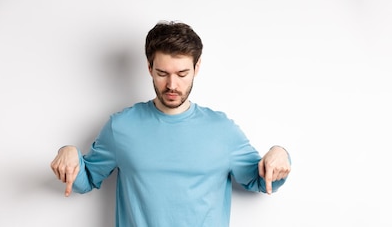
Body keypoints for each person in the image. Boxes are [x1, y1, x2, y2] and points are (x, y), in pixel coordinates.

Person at [50, 20, 291, 226]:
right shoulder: (121, 126)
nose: (172, 85)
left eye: (182, 74)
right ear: (149, 68)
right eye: (163, 73)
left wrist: (280, 154)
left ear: (197, 68)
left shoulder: (222, 130)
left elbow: (262, 180)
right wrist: (68, 152)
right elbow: (86, 179)